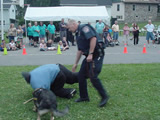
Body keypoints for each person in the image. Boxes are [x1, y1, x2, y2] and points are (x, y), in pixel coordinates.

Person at [67, 19, 109, 107]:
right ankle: (84, 97)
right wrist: (75, 63)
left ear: (74, 24)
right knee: (81, 75)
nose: (69, 30)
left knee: (93, 76)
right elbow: (80, 50)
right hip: (89, 56)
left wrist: (91, 53)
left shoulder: (84, 28)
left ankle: (104, 96)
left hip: (96, 54)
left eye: (69, 27)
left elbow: (93, 38)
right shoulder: (78, 34)